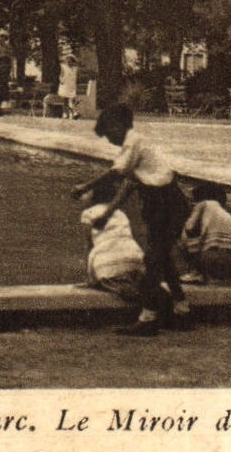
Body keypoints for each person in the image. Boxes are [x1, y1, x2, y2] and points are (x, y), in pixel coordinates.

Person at [71, 103, 193, 336]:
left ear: (118, 126)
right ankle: (181, 310)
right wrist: (106, 215)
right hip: (162, 204)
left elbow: (115, 173)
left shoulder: (133, 142)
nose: (110, 141)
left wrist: (85, 186)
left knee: (152, 261)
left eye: (109, 135)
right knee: (163, 260)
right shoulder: (139, 148)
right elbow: (127, 187)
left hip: (165, 204)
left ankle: (148, 318)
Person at [79, 173, 147, 304]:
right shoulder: (120, 213)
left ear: (94, 195)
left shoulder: (88, 214)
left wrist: (90, 278)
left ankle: (125, 290)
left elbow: (89, 246)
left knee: (111, 282)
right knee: (135, 281)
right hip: (136, 258)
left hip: (108, 261)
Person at [179, 181, 231, 285]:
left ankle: (196, 273)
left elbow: (189, 227)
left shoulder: (204, 204)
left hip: (214, 258)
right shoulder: (226, 215)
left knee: (184, 234)